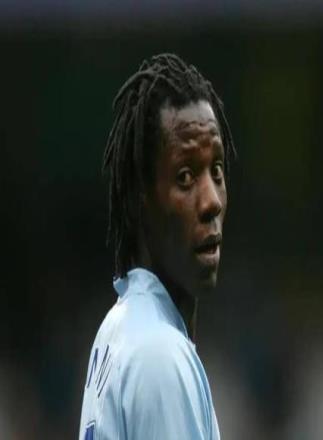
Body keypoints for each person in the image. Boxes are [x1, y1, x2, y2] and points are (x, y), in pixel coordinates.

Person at [79, 53, 236, 440]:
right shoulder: (159, 356)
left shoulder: (119, 329)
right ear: (140, 199)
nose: (211, 201)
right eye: (185, 177)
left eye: (216, 170)